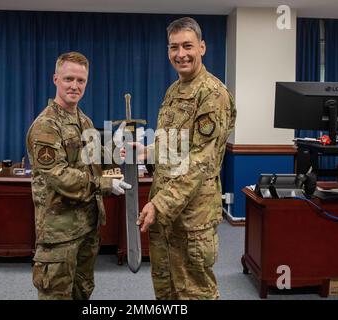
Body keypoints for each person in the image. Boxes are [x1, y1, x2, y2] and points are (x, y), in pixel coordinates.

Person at [134, 17, 236, 299]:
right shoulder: (174, 91)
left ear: (202, 47)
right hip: (167, 216)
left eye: (188, 46)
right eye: (174, 47)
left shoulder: (213, 94)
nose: (181, 54)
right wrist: (146, 153)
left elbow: (201, 160)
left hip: (193, 218)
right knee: (167, 291)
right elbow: (175, 149)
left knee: (195, 292)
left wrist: (159, 203)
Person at [26, 51, 130, 300]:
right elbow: (58, 176)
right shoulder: (46, 126)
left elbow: (94, 159)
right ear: (55, 79)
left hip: (86, 227)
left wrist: (116, 149)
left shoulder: (83, 120)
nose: (75, 86)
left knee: (82, 293)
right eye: (68, 79)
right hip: (59, 233)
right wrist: (103, 184)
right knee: (57, 295)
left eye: (81, 80)